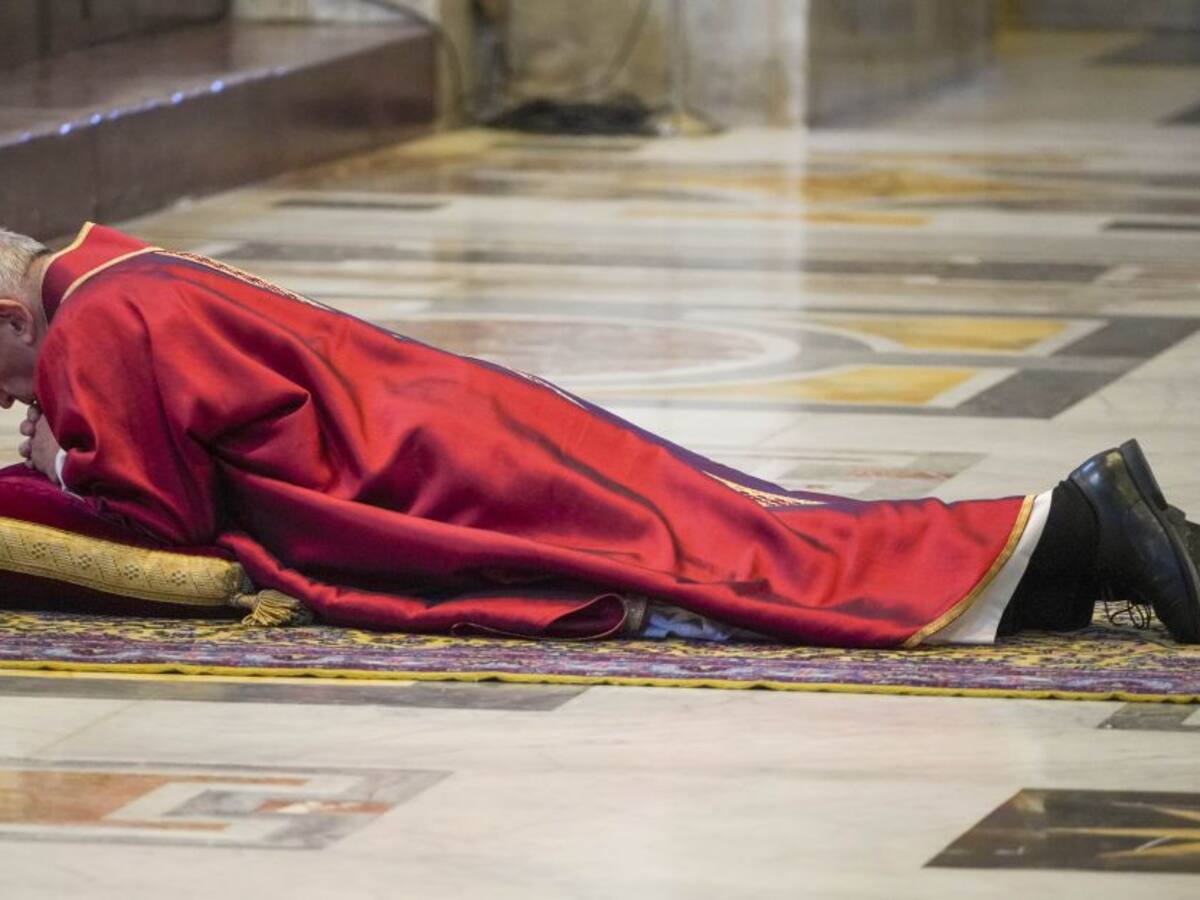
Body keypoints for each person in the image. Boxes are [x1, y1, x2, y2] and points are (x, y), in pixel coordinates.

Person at [1, 223, 1197, 647]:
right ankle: (1088, 549)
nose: (19, 397)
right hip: (452, 429)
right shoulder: (118, 265)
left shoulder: (89, 329)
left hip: (437, 480)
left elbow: (161, 533)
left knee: (741, 561)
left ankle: (1091, 517)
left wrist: (30, 474)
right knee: (748, 531)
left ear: (8, 313)